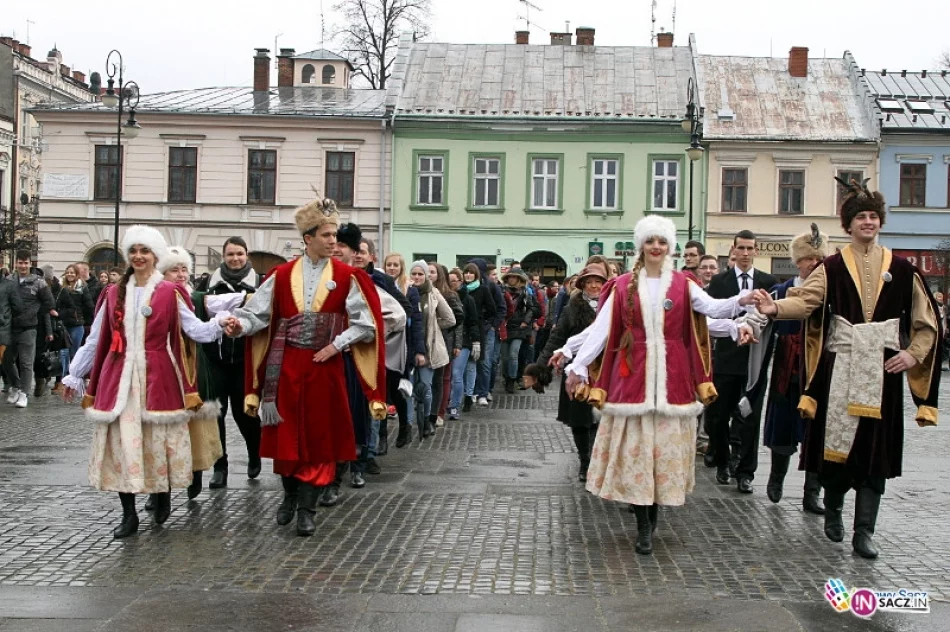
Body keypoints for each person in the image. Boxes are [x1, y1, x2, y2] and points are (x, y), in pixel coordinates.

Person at [755, 179, 941, 559]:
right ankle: (834, 508)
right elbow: (806, 301)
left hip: (883, 369)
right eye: (861, 217)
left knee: (876, 454)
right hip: (839, 367)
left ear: (880, 222)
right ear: (849, 225)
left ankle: (865, 531)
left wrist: (912, 355)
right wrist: (775, 308)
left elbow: (927, 323)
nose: (868, 223)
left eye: (873, 216)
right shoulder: (832, 266)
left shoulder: (904, 270)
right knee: (838, 449)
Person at [565, 216, 755, 555]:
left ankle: (652, 516)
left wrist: (742, 301)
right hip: (632, 379)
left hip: (674, 381)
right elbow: (601, 331)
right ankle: (642, 525)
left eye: (662, 242)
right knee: (639, 458)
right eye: (651, 241)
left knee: (662, 457)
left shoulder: (683, 284)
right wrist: (577, 364)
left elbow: (710, 309)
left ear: (670, 247)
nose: (656, 247)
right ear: (642, 245)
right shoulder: (623, 285)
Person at [225, 197, 386, 537]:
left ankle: (307, 509)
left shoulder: (347, 276)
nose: (333, 242)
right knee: (285, 438)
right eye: (327, 235)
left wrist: (336, 344)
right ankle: (289, 494)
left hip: (324, 369)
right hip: (284, 368)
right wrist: (237, 325)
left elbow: (366, 325)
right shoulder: (281, 275)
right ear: (308, 238)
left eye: (335, 236)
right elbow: (257, 315)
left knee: (319, 438)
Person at [62, 226, 230, 538]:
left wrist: (221, 323)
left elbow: (194, 330)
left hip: (158, 377)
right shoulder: (113, 293)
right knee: (122, 446)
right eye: (134, 251)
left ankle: (161, 492)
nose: (139, 256)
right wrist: (74, 373)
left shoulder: (169, 293)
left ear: (155, 256)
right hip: (119, 378)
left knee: (156, 444)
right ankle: (128, 514)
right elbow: (96, 338)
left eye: (145, 251)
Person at [760, 225, 827, 516]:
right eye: (807, 259)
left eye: (817, 258)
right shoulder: (782, 290)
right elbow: (760, 320)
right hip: (787, 368)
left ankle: (812, 493)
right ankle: (776, 479)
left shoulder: (829, 291)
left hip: (817, 370)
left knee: (816, 434)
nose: (812, 264)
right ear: (797, 261)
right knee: (783, 428)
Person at [705, 230, 777, 493]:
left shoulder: (767, 281)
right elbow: (711, 315)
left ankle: (745, 471)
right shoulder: (720, 282)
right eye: (742, 248)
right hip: (726, 358)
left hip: (755, 359)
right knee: (718, 416)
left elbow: (772, 317)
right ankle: (724, 460)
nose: (745, 253)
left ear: (756, 251)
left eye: (750, 249)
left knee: (750, 418)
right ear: (733, 250)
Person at [155, 246, 225, 505]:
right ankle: (161, 487)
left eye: (184, 269)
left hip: (192, 366)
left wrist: (223, 321)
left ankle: (195, 471)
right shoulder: (156, 296)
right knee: (164, 427)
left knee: (196, 424)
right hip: (163, 368)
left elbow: (221, 307)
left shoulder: (195, 296)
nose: (181, 274)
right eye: (174, 269)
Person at [530, 262, 608, 482]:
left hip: (606, 369)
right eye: (589, 282)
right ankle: (585, 462)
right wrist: (541, 365)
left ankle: (599, 461)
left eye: (598, 281)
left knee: (603, 418)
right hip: (578, 369)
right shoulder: (572, 307)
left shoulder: (613, 305)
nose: (594, 286)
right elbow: (558, 337)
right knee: (580, 418)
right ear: (581, 285)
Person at [202, 237, 263, 489]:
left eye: (239, 254)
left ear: (246, 255)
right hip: (215, 360)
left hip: (244, 360)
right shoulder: (209, 283)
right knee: (215, 415)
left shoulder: (260, 283)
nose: (235, 258)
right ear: (223, 257)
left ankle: (254, 452)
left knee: (244, 414)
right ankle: (220, 466)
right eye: (230, 254)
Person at [353, 237, 412, 459]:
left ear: (371, 256)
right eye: (355, 251)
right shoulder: (342, 275)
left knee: (383, 393)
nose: (358, 255)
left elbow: (404, 310)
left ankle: (378, 442)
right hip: (350, 346)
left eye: (362, 252)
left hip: (380, 346)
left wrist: (379, 327)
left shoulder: (381, 280)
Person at [408, 260, 456, 438]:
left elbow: (450, 319)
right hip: (408, 348)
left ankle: (428, 420)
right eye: (414, 273)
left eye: (421, 274)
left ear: (426, 276)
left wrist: (434, 326)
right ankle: (408, 422)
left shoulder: (433, 293)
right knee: (408, 389)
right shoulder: (403, 291)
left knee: (426, 387)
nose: (417, 277)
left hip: (428, 349)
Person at [4, 251, 55, 409]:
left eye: (26, 263)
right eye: (20, 262)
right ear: (16, 264)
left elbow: (49, 302)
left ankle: (24, 393)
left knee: (26, 362)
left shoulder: (39, 282)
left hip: (29, 327)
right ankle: (16, 386)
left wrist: (36, 312)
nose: (23, 266)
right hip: (9, 327)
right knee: (6, 359)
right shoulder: (8, 280)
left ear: (30, 264)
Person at [430, 263, 464, 426]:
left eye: (432, 272)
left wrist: (457, 343)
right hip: (428, 342)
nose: (428, 275)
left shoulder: (449, 295)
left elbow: (457, 320)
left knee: (443, 378)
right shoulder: (422, 292)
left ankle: (439, 412)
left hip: (445, 341)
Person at [469, 258, 505, 407]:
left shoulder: (490, 286)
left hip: (486, 329)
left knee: (485, 361)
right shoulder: (466, 287)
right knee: (472, 362)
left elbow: (501, 308)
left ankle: (483, 391)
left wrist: (492, 326)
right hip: (471, 328)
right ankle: (472, 391)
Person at [498, 267, 540, 393]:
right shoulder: (502, 291)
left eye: (514, 277)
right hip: (505, 327)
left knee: (513, 354)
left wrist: (526, 321)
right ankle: (507, 378)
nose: (511, 279)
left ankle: (512, 379)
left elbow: (534, 309)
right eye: (510, 277)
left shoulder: (526, 293)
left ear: (519, 279)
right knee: (505, 357)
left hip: (520, 328)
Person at [447, 267, 479, 420]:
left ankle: (454, 405)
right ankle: (446, 402)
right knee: (447, 375)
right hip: (447, 339)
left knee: (456, 373)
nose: (452, 284)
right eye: (449, 281)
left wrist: (476, 341)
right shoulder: (444, 296)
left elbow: (473, 322)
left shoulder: (468, 299)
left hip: (464, 341)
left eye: (454, 281)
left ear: (460, 281)